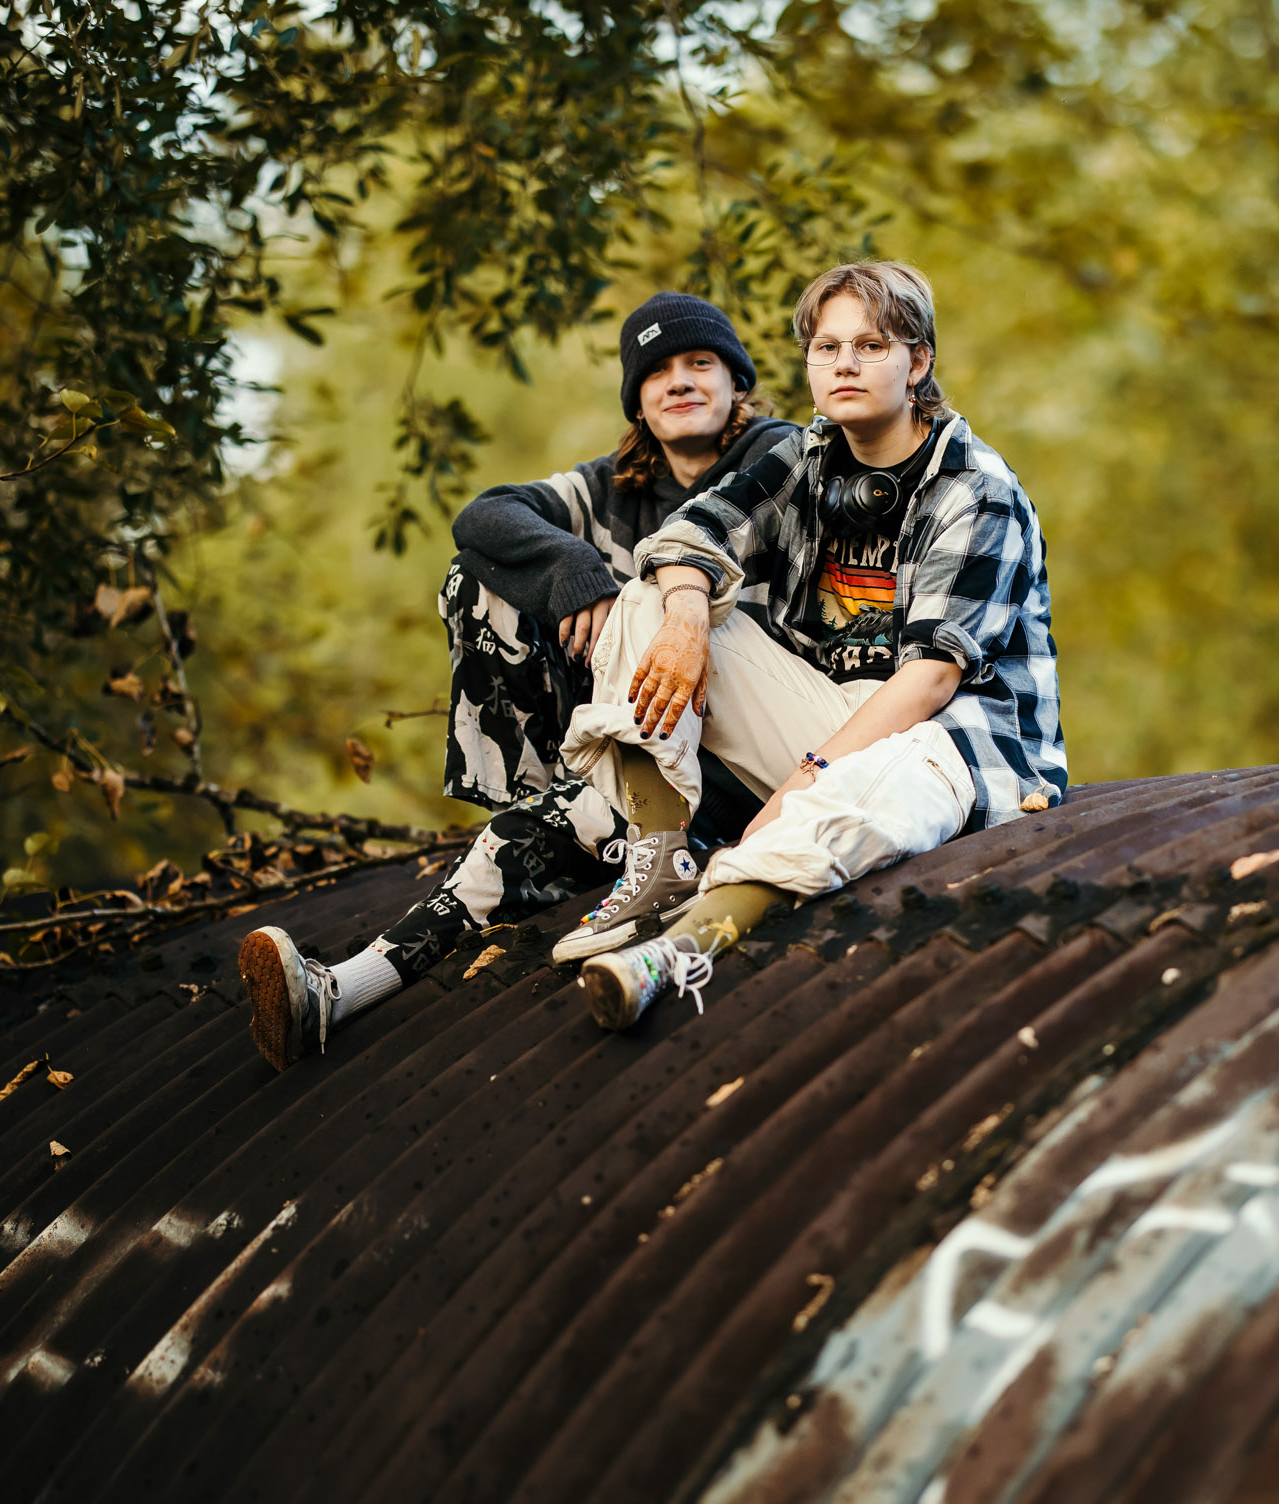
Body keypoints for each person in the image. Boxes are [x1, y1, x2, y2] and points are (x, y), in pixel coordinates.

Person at [239, 293, 792, 1069]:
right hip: (623, 741)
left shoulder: (778, 457)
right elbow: (484, 515)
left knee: (640, 596)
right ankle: (334, 993)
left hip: (739, 759)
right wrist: (573, 565)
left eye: (701, 362)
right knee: (479, 582)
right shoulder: (609, 487)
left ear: (738, 380)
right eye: (657, 370)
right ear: (635, 397)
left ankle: (613, 822)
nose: (680, 381)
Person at [560, 258, 1066, 1030]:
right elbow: (688, 533)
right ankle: (663, 858)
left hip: (951, 743)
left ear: (917, 360)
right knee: (646, 600)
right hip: (833, 711)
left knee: (858, 796)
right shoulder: (805, 455)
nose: (844, 365)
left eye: (870, 346)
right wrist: (691, 616)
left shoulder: (976, 488)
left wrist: (808, 776)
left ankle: (675, 950)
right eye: (826, 349)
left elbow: (930, 680)